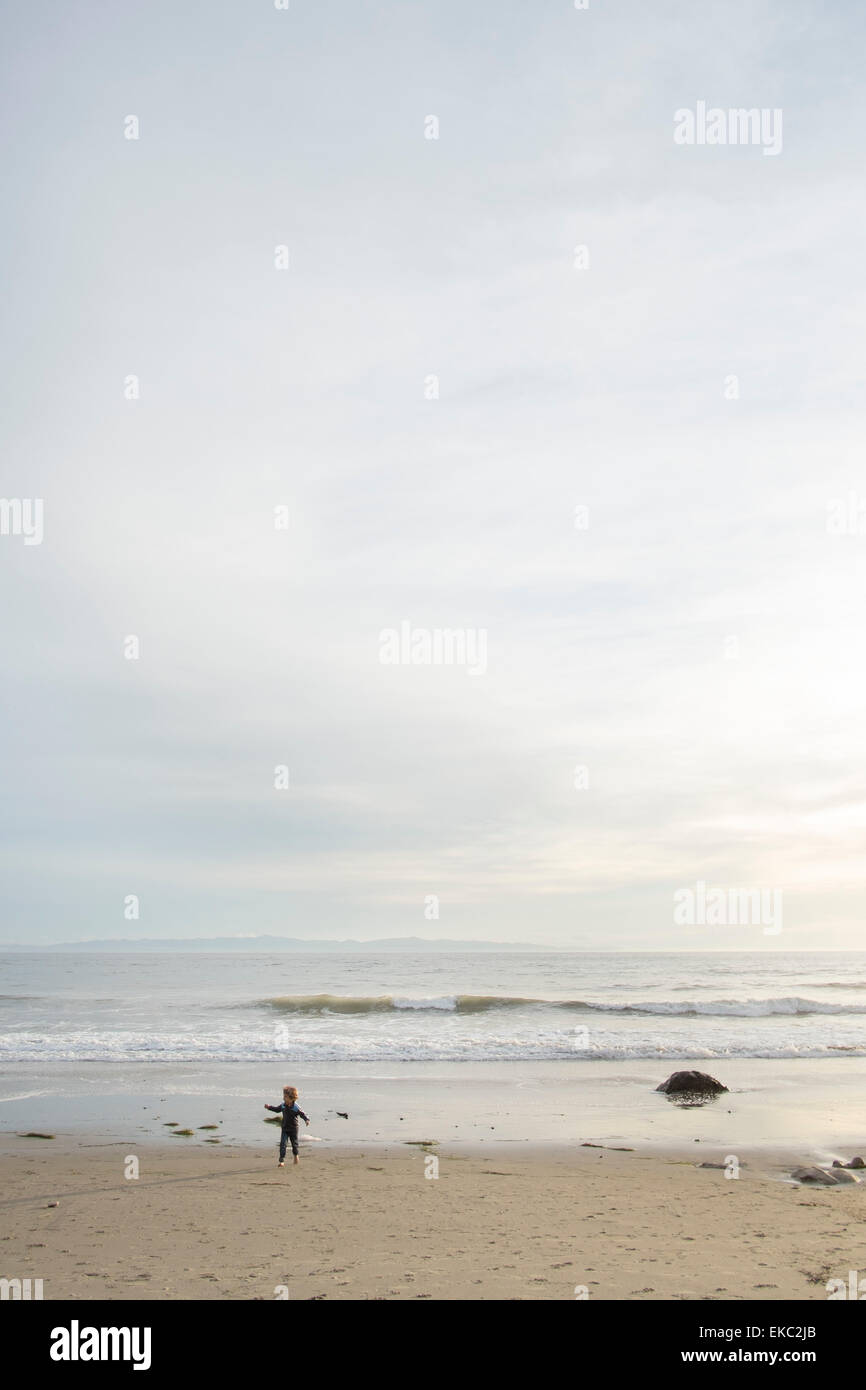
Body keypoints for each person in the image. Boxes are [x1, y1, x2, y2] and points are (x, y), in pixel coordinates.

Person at [264, 1085, 310, 1166]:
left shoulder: (296, 1107)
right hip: (285, 1128)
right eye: (283, 1096)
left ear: (292, 1098)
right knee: (283, 1144)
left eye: (285, 1097)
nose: (283, 1098)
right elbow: (277, 1109)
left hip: (294, 1128)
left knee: (294, 1144)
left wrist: (306, 1120)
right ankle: (281, 1161)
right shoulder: (283, 1105)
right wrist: (269, 1107)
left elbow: (302, 1114)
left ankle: (296, 1156)